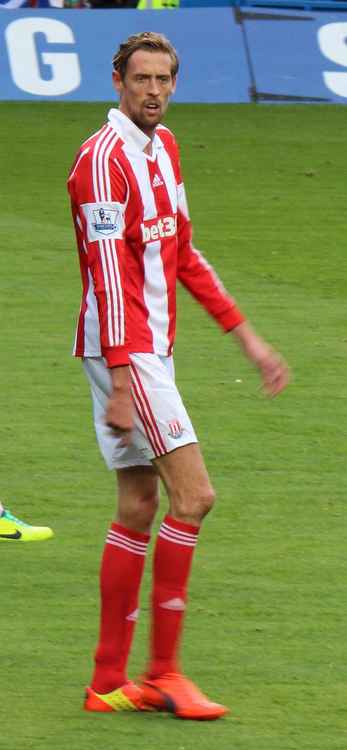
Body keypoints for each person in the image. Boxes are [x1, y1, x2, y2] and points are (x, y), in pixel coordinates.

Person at [67, 31, 289, 721]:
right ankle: (163, 672)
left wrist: (245, 336)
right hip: (125, 352)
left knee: (138, 505)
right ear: (116, 81)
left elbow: (183, 252)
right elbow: (109, 279)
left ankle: (107, 683)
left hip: (149, 352)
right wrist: (128, 382)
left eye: (164, 78)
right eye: (142, 79)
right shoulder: (100, 165)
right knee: (193, 498)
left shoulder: (163, 148)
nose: (154, 90)